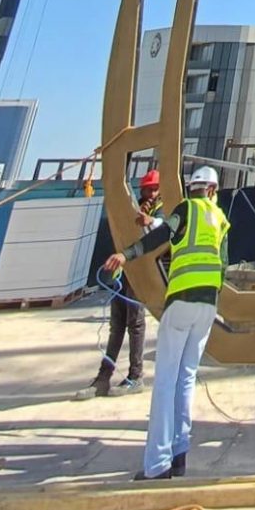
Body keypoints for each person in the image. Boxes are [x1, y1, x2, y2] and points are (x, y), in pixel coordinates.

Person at [102, 164, 228, 480]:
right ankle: (180, 452)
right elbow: (223, 264)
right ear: (213, 190)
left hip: (182, 301)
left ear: (194, 188)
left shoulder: (186, 209)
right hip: (207, 305)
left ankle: (158, 463)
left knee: (165, 381)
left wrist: (125, 255)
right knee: (186, 378)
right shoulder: (219, 218)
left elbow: (161, 235)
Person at [79, 170, 163, 399]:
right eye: (148, 189)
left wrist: (151, 221)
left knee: (135, 323)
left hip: (143, 270)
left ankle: (136, 376)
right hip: (124, 269)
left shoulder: (163, 209)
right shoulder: (133, 207)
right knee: (117, 325)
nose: (152, 193)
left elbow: (168, 228)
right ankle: (103, 377)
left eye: (155, 189)